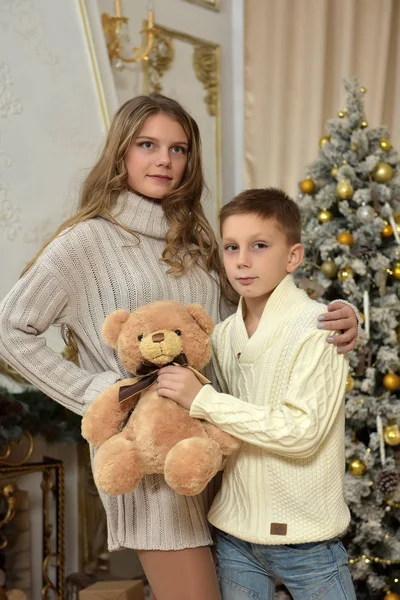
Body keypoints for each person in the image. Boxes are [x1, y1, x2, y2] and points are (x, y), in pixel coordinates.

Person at [0, 96, 358, 600]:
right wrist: (101, 391)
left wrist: (340, 315)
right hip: (151, 470)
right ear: (121, 152)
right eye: (148, 145)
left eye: (178, 148)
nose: (164, 160)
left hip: (226, 464)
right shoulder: (84, 243)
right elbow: (11, 329)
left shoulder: (196, 242)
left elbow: (248, 325)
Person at [157, 187, 357, 600]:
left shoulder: (320, 330)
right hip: (235, 536)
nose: (242, 261)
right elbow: (215, 424)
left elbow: (301, 433)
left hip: (307, 543)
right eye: (231, 247)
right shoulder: (225, 333)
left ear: (293, 256)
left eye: (259, 246)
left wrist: (205, 400)